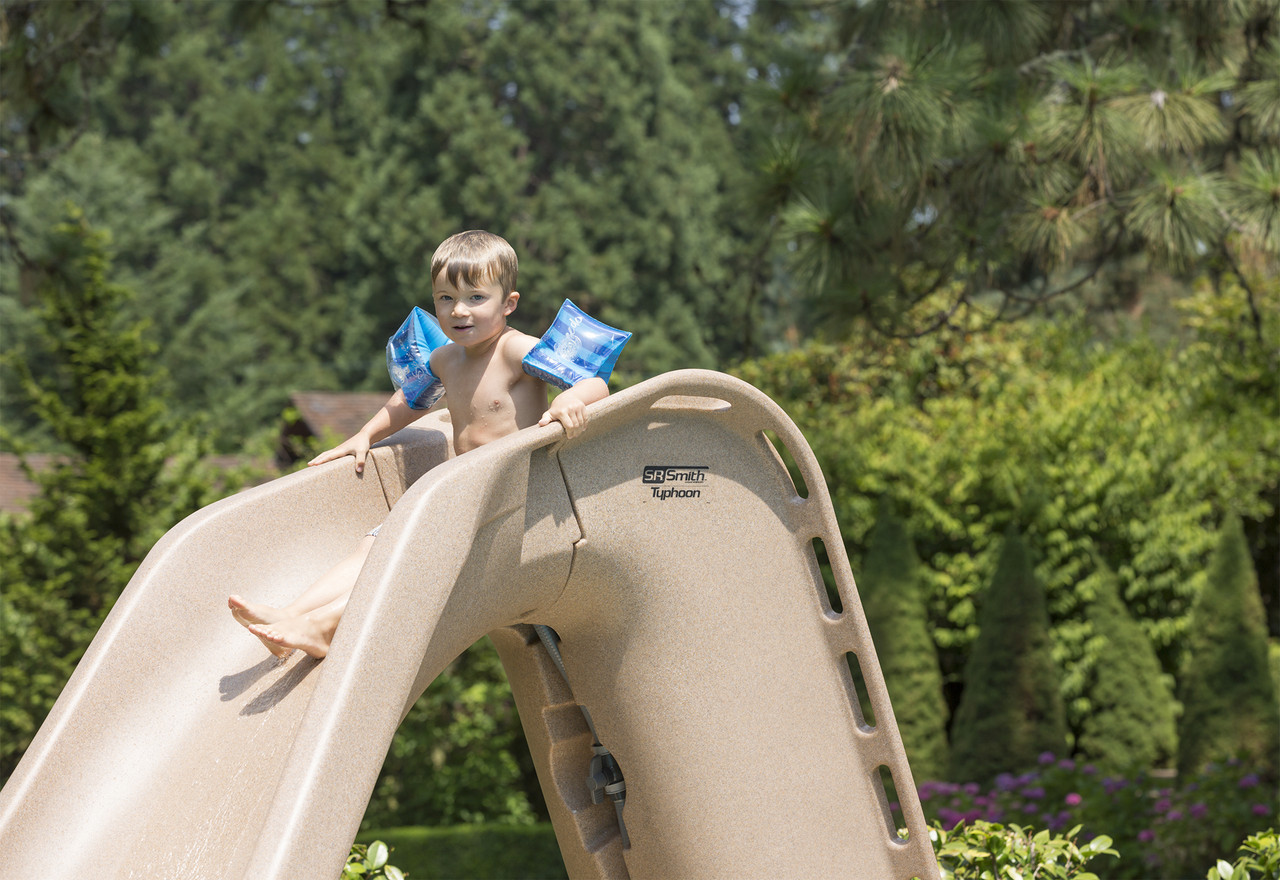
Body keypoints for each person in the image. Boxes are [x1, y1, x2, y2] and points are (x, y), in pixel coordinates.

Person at [228, 230, 610, 659]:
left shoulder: (514, 350)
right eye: (445, 298)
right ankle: (290, 614)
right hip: (466, 489)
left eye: (475, 298)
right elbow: (409, 401)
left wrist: (572, 401)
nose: (458, 311)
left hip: (514, 497)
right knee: (375, 543)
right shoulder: (446, 358)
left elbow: (593, 381)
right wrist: (364, 436)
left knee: (408, 554)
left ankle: (323, 627)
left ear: (509, 303)